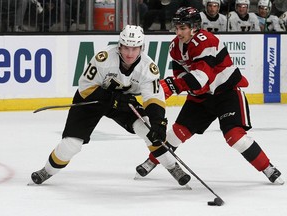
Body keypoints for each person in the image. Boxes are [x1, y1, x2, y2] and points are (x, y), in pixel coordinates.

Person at [136, 7, 284, 185]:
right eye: (177, 27)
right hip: (201, 97)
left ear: (195, 27)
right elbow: (181, 75)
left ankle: (267, 167)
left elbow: (199, 78)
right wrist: (170, 88)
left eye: (183, 28)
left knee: (235, 137)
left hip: (226, 93)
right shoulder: (175, 46)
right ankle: (152, 161)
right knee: (176, 134)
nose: (178, 32)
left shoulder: (207, 41)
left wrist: (172, 86)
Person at [30, 25, 191, 186]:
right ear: (119, 45)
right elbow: (85, 88)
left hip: (123, 103)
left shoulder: (148, 68)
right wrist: (113, 98)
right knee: (71, 145)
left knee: (149, 129)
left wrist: (158, 123)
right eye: (126, 47)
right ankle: (47, 170)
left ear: (142, 47)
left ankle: (172, 167)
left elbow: (153, 98)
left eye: (134, 48)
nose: (129, 53)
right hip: (92, 102)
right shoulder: (104, 59)